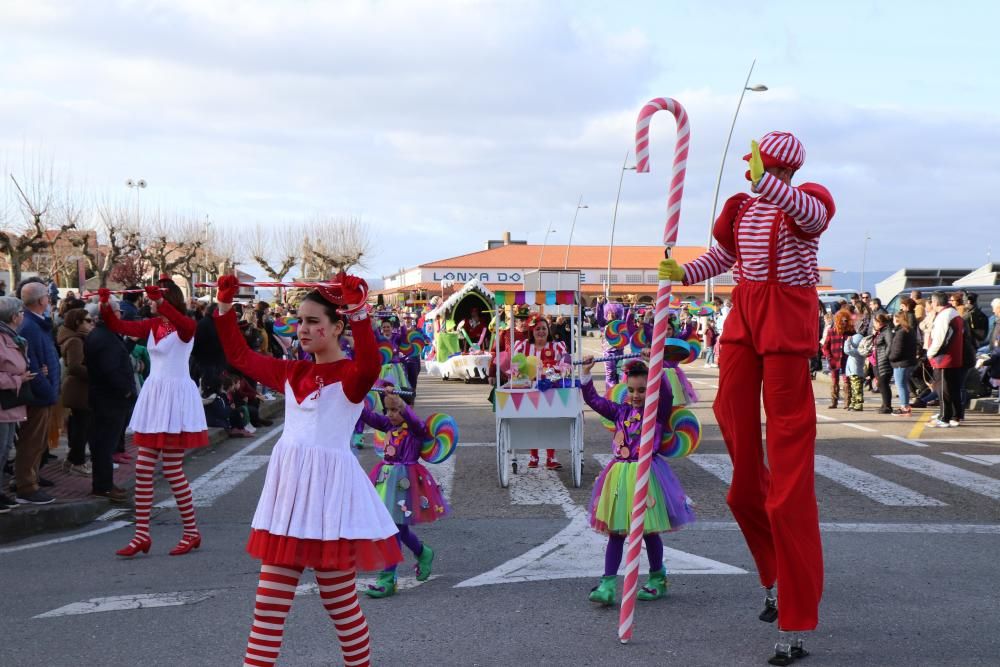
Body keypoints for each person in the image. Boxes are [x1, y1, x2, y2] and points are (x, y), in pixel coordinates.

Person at [658, 130, 835, 664]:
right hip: (744, 321)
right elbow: (722, 257)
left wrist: (770, 182)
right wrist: (681, 273)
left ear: (777, 165)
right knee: (739, 468)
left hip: (785, 321)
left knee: (788, 475)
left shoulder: (808, 200)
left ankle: (797, 612)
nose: (746, 171)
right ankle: (773, 574)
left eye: (755, 162)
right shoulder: (741, 207)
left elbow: (811, 217)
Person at [212, 273, 399, 667]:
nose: (304, 329)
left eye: (314, 321)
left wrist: (361, 312)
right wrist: (225, 308)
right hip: (290, 504)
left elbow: (370, 363)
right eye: (301, 321)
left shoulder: (351, 376)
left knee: (341, 606)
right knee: (268, 607)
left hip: (330, 506)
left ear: (337, 327)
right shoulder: (291, 372)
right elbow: (240, 357)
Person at [98, 278, 209, 557]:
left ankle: (192, 531)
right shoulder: (152, 325)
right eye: (150, 298)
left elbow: (185, 326)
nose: (149, 301)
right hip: (155, 397)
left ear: (168, 297)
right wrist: (105, 306)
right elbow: (117, 326)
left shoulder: (186, 325)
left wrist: (161, 303)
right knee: (143, 469)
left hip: (174, 400)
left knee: (172, 470)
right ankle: (141, 535)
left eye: (156, 297)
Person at [579, 355, 694, 605]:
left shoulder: (656, 413)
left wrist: (657, 370)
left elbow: (667, 395)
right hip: (620, 477)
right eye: (631, 389)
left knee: (648, 532)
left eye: (642, 390)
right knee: (616, 533)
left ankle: (657, 578)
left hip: (646, 476)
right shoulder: (620, 410)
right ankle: (608, 584)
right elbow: (594, 400)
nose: (636, 395)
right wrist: (586, 375)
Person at [359, 386, 448, 598]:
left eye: (395, 410)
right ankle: (423, 553)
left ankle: (388, 579)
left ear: (406, 408)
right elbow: (369, 417)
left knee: (393, 529)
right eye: (387, 410)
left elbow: (415, 422)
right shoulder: (387, 424)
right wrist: (355, 399)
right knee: (398, 529)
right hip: (386, 480)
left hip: (405, 484)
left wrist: (402, 405)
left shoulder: (416, 429)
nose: (390, 415)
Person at [14, 282, 61, 505]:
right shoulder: (30, 326)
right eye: (48, 297)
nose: (50, 301)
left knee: (37, 442)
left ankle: (30, 478)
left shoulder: (35, 324)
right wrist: (47, 390)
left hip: (43, 392)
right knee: (31, 442)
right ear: (42, 301)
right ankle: (26, 485)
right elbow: (31, 365)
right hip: (39, 394)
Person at [84, 301, 133, 503]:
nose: (120, 315)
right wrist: (126, 391)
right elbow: (111, 369)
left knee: (103, 442)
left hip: (104, 397)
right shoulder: (104, 338)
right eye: (118, 312)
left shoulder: (102, 334)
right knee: (105, 443)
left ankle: (105, 484)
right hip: (109, 399)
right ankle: (102, 486)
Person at [513, 314, 567, 470]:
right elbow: (515, 366)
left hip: (552, 391)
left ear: (548, 330)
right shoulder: (523, 346)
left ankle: (551, 457)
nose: (541, 332)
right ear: (532, 331)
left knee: (550, 422)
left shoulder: (558, 346)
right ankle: (533, 456)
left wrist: (562, 367)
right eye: (538, 329)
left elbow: (566, 364)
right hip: (529, 391)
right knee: (533, 422)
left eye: (544, 328)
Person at [0, 297, 32, 512]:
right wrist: (18, 379)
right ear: (13, 316)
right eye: (21, 311)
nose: (23, 315)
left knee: (4, 451)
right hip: (4, 403)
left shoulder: (12, 337)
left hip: (12, 404)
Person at [58, 308, 94, 476]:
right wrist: (96, 374)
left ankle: (73, 460)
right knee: (82, 427)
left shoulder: (76, 338)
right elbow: (74, 366)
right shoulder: (75, 341)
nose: (91, 323)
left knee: (80, 426)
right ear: (78, 322)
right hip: (78, 389)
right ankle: (77, 461)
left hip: (78, 388)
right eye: (87, 320)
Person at [926, 291, 965, 428]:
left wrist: (930, 353)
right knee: (953, 388)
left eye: (931, 301)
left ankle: (944, 417)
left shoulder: (944, 315)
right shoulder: (953, 313)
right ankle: (956, 415)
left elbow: (940, 338)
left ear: (935, 302)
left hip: (944, 359)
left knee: (943, 389)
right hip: (953, 357)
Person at [821, 309, 853, 409]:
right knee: (834, 381)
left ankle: (847, 402)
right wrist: (829, 357)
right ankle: (834, 402)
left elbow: (856, 344)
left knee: (846, 380)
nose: (844, 323)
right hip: (834, 359)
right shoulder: (832, 332)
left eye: (846, 320)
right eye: (842, 320)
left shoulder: (851, 332)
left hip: (846, 360)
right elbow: (825, 347)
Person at [889, 312, 918, 416]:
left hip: (901, 363)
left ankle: (904, 407)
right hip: (909, 361)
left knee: (901, 385)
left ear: (898, 320)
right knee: (904, 385)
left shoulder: (901, 332)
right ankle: (905, 405)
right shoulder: (910, 331)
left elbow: (897, 350)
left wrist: (890, 358)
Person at [872, 313, 894, 414]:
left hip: (884, 361)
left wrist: (886, 356)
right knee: (880, 384)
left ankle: (888, 406)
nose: (874, 325)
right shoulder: (880, 332)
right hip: (878, 361)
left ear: (879, 323)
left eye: (875, 323)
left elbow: (890, 345)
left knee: (883, 383)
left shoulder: (887, 331)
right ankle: (884, 404)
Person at [844, 327, 866, 411]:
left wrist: (848, 341)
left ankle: (858, 404)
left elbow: (846, 350)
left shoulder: (858, 351)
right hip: (853, 372)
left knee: (857, 389)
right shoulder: (856, 350)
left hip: (856, 373)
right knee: (854, 389)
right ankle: (853, 403)